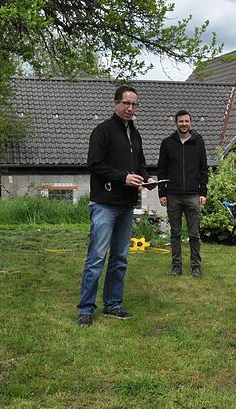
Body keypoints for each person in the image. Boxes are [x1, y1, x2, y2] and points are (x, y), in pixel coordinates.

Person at [78, 85, 156, 326]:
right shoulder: (102, 131)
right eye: (126, 103)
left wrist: (147, 178)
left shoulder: (136, 133)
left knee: (120, 257)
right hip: (104, 204)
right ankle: (86, 308)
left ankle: (113, 304)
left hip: (126, 204)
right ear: (116, 104)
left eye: (134, 105)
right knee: (97, 257)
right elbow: (95, 164)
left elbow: (140, 164)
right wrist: (123, 177)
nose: (130, 108)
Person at [157, 110, 209, 277]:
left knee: (194, 234)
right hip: (173, 195)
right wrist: (162, 193)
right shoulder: (167, 143)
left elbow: (203, 169)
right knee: (175, 233)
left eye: (187, 121)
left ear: (190, 123)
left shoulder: (199, 142)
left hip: (193, 195)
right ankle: (176, 266)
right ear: (176, 123)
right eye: (181, 121)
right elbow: (162, 170)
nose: (184, 124)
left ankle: (196, 266)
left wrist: (203, 192)